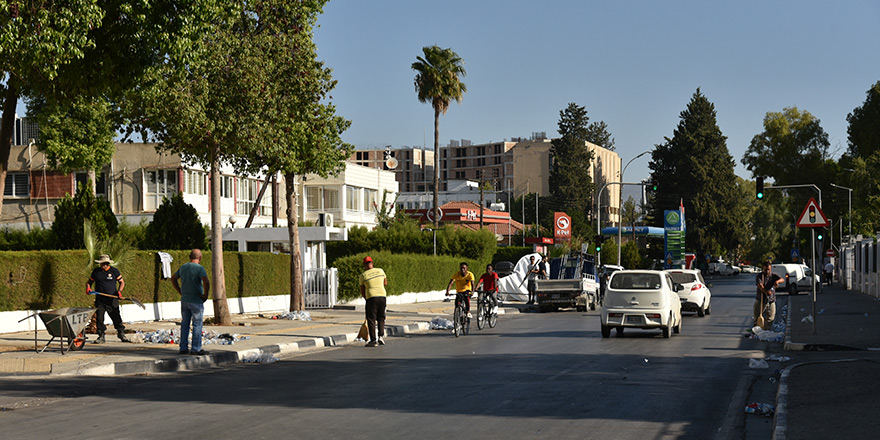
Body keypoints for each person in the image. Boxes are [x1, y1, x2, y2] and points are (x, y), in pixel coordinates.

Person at [171, 249, 210, 355]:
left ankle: (183, 348)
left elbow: (173, 278)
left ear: (189, 257)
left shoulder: (183, 267)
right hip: (196, 301)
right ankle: (196, 348)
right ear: (200, 258)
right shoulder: (200, 268)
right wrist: (205, 294)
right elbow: (206, 281)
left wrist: (180, 291)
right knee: (197, 324)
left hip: (185, 300)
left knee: (185, 324)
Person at [86, 254, 130, 343]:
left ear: (108, 263)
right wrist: (88, 288)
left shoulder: (114, 271)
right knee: (100, 318)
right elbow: (89, 282)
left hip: (112, 299)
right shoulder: (96, 272)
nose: (104, 265)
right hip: (100, 300)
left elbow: (122, 282)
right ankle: (101, 336)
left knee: (116, 317)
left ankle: (121, 333)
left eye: (105, 263)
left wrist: (119, 291)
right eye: (102, 263)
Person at [359, 256, 387, 347]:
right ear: (372, 263)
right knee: (381, 317)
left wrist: (366, 298)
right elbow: (385, 282)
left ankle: (373, 340)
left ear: (364, 265)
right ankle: (381, 337)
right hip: (382, 296)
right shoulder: (380, 271)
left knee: (371, 319)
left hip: (371, 297)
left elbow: (362, 290)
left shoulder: (363, 275)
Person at [755, 261, 784, 327]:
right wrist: (766, 292)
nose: (767, 271)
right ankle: (757, 331)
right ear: (763, 268)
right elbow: (760, 286)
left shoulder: (773, 276)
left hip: (771, 301)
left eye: (768, 270)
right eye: (765, 270)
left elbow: (782, 279)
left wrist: (777, 282)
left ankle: (767, 330)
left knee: (770, 319)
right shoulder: (760, 276)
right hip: (761, 300)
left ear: (770, 269)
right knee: (757, 317)